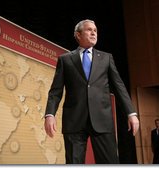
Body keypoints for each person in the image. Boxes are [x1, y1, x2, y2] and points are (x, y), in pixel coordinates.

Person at [44, 19, 139, 164]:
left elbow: (119, 86)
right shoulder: (65, 60)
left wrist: (131, 113)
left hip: (102, 120)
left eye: (95, 30)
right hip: (74, 121)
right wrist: (50, 114)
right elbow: (55, 91)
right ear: (78, 35)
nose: (93, 32)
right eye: (89, 30)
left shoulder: (106, 58)